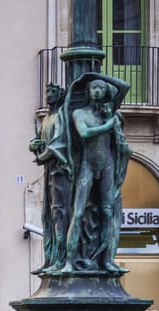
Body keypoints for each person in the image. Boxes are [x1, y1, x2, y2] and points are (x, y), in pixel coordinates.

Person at [62, 75, 131, 273]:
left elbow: (124, 86)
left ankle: (107, 260)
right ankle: (69, 262)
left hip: (107, 165)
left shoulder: (108, 111)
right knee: (78, 213)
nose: (98, 91)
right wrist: (109, 125)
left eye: (101, 88)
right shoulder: (79, 113)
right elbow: (84, 133)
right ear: (88, 92)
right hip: (87, 166)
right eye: (94, 88)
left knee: (108, 213)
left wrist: (98, 76)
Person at [29, 83, 70, 273]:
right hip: (49, 170)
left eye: (53, 92)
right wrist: (34, 145)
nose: (48, 95)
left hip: (60, 170)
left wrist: (40, 156)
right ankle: (50, 258)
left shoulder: (62, 116)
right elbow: (43, 143)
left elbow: (58, 145)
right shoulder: (46, 119)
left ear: (60, 96)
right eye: (47, 91)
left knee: (60, 213)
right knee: (48, 215)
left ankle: (62, 259)